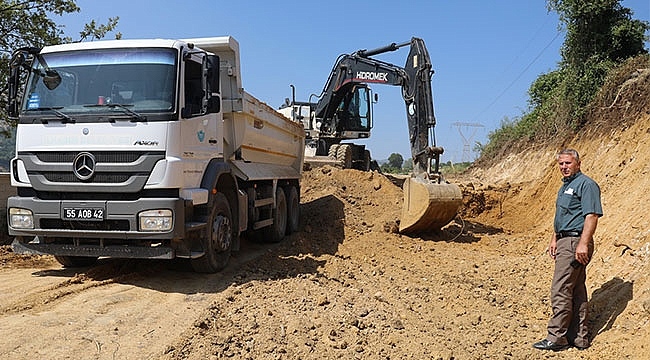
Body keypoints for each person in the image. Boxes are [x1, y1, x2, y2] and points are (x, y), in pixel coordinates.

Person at [533, 148, 603, 351]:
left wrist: (583, 243)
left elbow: (591, 216)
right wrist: (554, 238)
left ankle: (556, 338)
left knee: (561, 289)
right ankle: (579, 338)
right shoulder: (565, 187)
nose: (564, 167)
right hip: (565, 240)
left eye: (568, 163)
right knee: (576, 290)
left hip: (575, 242)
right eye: (561, 164)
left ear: (578, 164)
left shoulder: (586, 185)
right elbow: (562, 217)